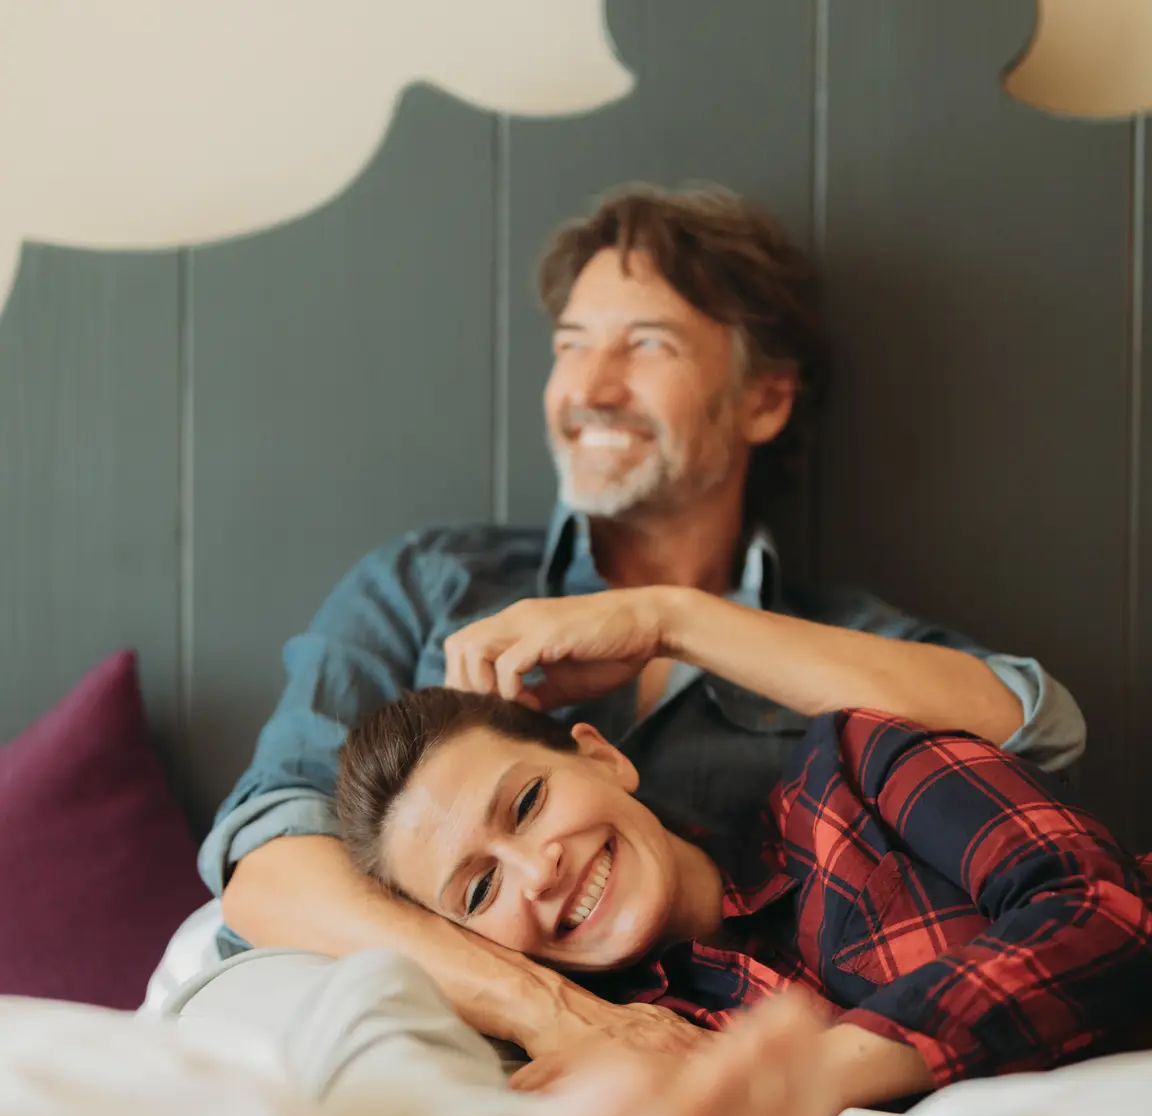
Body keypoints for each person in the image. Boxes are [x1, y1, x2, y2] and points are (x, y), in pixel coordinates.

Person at [200, 183, 1086, 1066]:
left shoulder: (833, 639)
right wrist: (550, 1012)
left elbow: (1033, 727)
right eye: (571, 345)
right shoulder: (425, 584)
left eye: (647, 345)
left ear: (764, 401)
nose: (589, 387)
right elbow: (270, 873)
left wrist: (672, 620)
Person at [335, 688, 1152, 1111]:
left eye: (526, 804)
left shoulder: (853, 770)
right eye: (480, 890)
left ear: (603, 758)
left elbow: (1105, 911)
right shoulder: (633, 1054)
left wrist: (796, 1077)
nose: (536, 870)